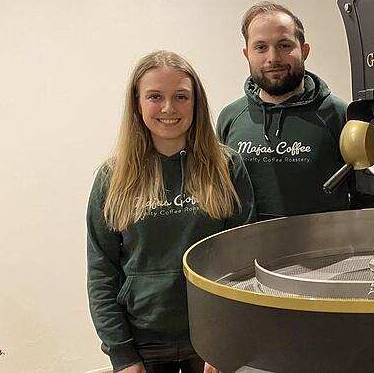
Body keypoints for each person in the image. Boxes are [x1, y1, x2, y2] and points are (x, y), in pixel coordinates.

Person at [87, 51, 255, 373]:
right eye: (155, 97)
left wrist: (227, 342)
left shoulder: (227, 168)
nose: (168, 108)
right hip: (142, 343)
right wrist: (122, 355)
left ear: (196, 103)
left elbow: (243, 264)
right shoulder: (112, 177)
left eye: (180, 96)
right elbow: (101, 272)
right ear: (137, 103)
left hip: (209, 340)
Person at [217, 1, 374, 220]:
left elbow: (367, 199)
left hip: (326, 252)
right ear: (247, 54)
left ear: (304, 50)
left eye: (284, 45)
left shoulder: (342, 116)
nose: (273, 58)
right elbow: (223, 194)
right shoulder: (230, 118)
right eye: (261, 47)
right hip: (249, 251)